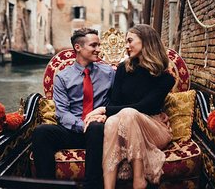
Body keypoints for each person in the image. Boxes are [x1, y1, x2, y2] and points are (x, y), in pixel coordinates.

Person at [84, 24, 175, 189]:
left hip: (153, 127)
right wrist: (107, 114)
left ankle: (139, 180)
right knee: (112, 122)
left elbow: (146, 106)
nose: (126, 46)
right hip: (125, 122)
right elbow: (115, 101)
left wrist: (104, 109)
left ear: (146, 41)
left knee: (128, 113)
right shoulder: (122, 69)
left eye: (130, 40)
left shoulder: (166, 77)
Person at [32, 28, 115, 189]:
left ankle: (92, 186)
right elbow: (62, 112)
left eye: (99, 45)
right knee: (41, 132)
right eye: (94, 45)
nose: (98, 49)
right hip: (73, 130)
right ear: (78, 47)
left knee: (96, 127)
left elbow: (117, 100)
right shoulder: (63, 77)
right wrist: (82, 125)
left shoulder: (109, 73)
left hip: (99, 132)